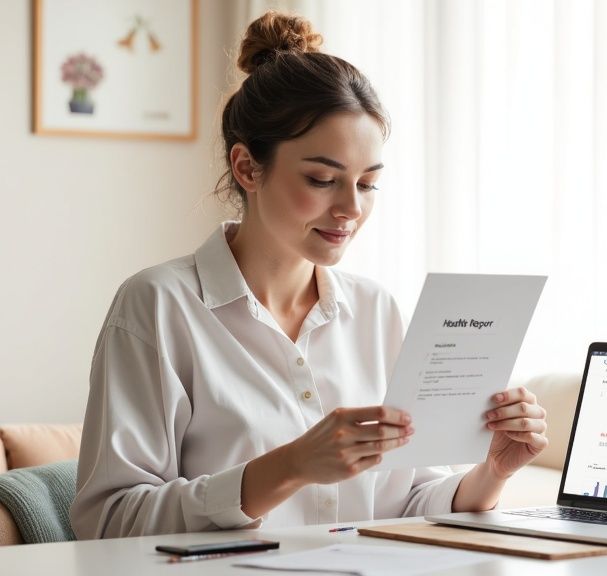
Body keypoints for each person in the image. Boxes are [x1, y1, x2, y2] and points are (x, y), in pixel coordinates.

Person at [71, 11, 548, 539]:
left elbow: (409, 499)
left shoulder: (375, 310)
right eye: (323, 179)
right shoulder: (158, 305)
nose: (350, 209)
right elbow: (109, 522)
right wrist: (290, 466)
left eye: (367, 184)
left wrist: (493, 471)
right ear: (248, 167)